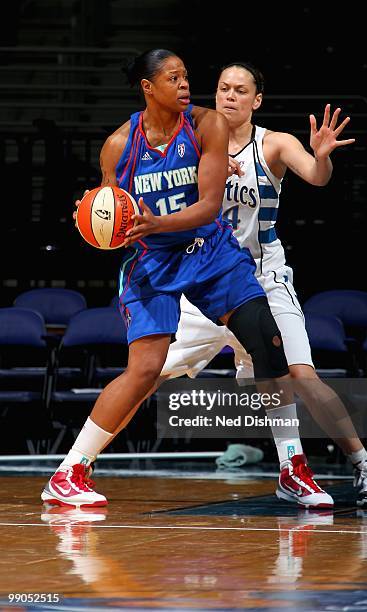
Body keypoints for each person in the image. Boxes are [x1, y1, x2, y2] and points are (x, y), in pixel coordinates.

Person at [42, 49, 328, 508]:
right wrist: (93, 215)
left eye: (186, 76)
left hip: (210, 251)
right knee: (145, 370)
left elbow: (209, 207)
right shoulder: (120, 145)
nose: (184, 86)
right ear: (148, 87)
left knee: (264, 336)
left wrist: (155, 222)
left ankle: (292, 467)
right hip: (154, 262)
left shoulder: (206, 124)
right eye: (173, 78)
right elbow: (109, 212)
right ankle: (70, 470)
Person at [109, 62, 367, 508]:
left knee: (300, 374)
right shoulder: (194, 140)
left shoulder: (274, 143)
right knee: (145, 374)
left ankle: (363, 466)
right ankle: (76, 467)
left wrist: (321, 157)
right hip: (203, 278)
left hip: (260, 276)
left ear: (256, 100)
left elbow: (317, 178)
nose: (229, 97)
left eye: (241, 90)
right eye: (222, 88)